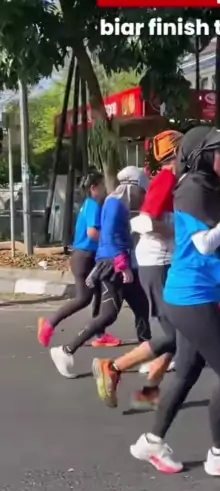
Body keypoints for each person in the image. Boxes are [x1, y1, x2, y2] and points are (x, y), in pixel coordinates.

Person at [93, 126, 220, 476]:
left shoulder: (207, 188)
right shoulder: (192, 189)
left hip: (191, 293)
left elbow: (219, 242)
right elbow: (204, 244)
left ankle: (151, 441)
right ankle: (219, 454)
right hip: (191, 296)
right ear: (202, 155)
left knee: (187, 371)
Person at [93, 130, 183, 410]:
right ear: (177, 152)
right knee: (174, 335)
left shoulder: (175, 180)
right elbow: (144, 221)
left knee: (179, 335)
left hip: (165, 262)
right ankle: (113, 367)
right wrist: (175, 232)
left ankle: (149, 391)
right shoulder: (165, 179)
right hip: (157, 263)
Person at [50, 166, 151, 379]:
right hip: (112, 265)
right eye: (142, 191)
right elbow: (110, 236)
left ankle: (147, 357)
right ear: (131, 187)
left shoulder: (120, 203)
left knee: (142, 307)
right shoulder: (114, 204)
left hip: (122, 263)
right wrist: (123, 265)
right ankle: (65, 350)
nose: (143, 196)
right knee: (108, 314)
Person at [37, 171, 121, 348]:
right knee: (83, 298)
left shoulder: (89, 204)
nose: (104, 188)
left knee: (99, 293)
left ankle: (99, 333)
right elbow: (92, 232)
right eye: (102, 185)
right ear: (94, 188)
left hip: (86, 256)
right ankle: (50, 323)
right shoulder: (92, 205)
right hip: (85, 257)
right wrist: (110, 241)